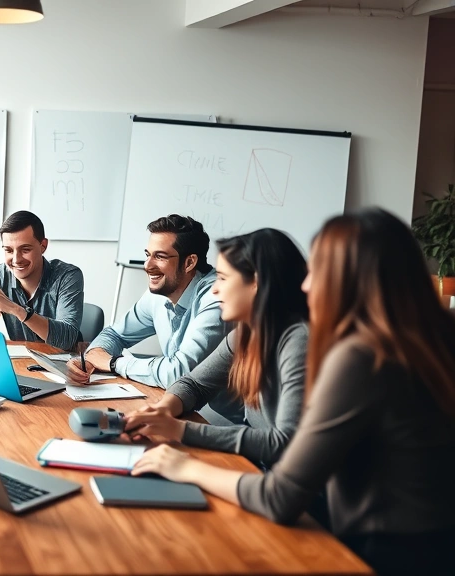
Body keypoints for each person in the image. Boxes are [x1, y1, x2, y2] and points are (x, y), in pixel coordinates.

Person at [131, 209, 455, 576]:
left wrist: (184, 462)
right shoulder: (413, 341)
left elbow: (280, 495)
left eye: (317, 271)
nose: (306, 285)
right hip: (423, 545)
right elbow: (194, 382)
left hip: (380, 554)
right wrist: (166, 414)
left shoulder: (356, 354)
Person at [124, 229, 309, 467]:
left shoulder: (299, 341)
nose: (214, 289)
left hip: (296, 488)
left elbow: (284, 443)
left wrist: (180, 430)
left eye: (223, 278)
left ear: (256, 283)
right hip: (259, 466)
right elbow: (195, 384)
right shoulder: (246, 334)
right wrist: (162, 411)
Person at [67, 214, 243, 424]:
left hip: (229, 421)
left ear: (189, 262)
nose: (147, 265)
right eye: (147, 254)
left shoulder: (216, 298)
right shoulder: (158, 295)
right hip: (186, 411)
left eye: (160, 256)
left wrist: (114, 363)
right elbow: (114, 334)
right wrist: (93, 356)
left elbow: (179, 373)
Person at [0, 211, 84, 350]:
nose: (16, 260)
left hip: (65, 363)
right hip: (24, 362)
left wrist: (15, 309)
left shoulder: (67, 275)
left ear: (43, 246)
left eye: (25, 250)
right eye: (8, 250)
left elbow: (67, 339)